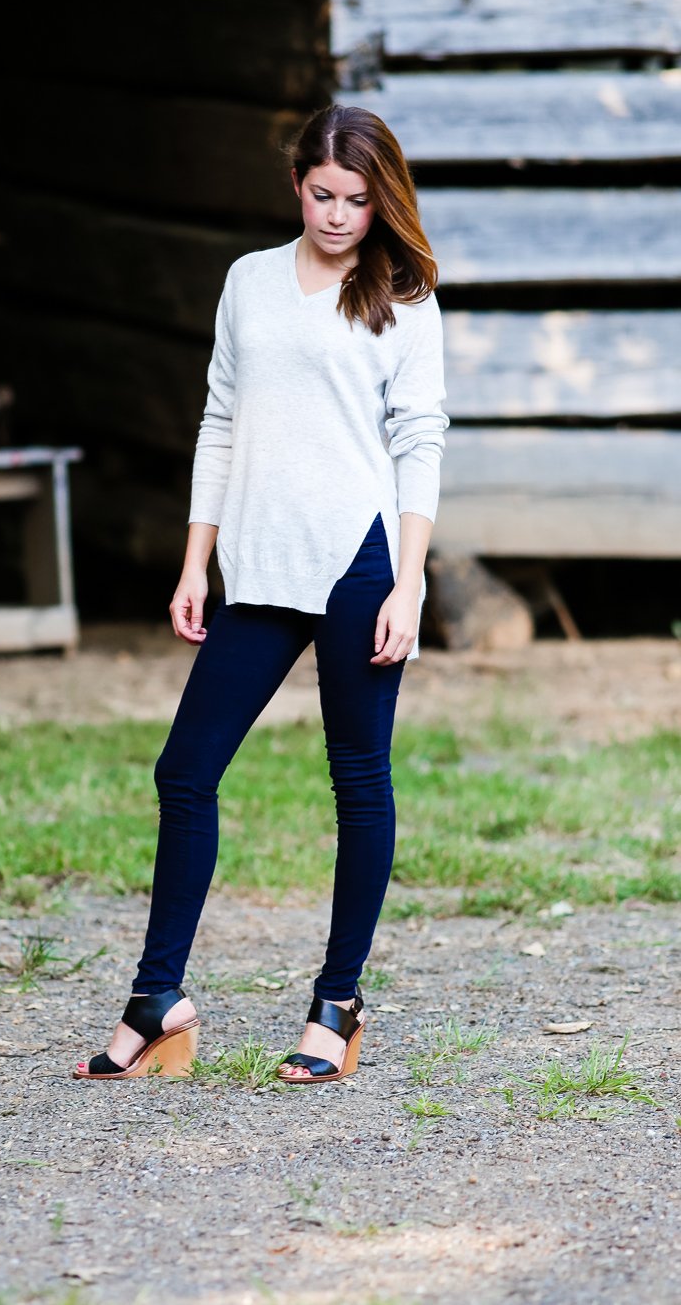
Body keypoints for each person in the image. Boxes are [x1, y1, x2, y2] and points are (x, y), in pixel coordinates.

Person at [73, 103, 449, 1086]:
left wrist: (409, 584)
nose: (338, 216)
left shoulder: (404, 297)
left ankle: (337, 1003)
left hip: (360, 563)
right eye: (323, 195)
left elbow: (419, 440)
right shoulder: (248, 281)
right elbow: (221, 420)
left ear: (380, 200)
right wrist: (194, 561)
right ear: (296, 185)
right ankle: (157, 999)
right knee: (184, 771)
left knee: (357, 780)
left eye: (357, 200)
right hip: (259, 563)